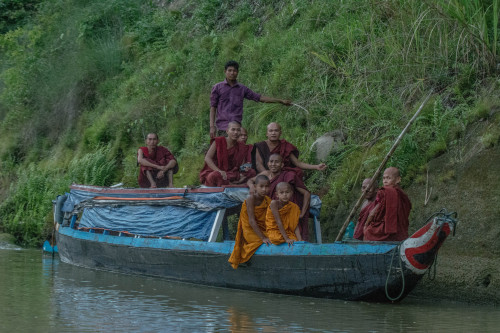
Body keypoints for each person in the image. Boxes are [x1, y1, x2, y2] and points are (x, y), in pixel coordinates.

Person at [210, 60, 292, 139]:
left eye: (234, 71)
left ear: (237, 72)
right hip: (222, 127)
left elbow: (259, 97)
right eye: (229, 70)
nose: (232, 73)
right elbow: (213, 107)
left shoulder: (242, 89)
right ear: (225, 71)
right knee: (222, 151)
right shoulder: (217, 87)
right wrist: (212, 126)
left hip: (237, 129)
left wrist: (281, 101)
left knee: (237, 152)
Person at [248, 154, 311, 241]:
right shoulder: (265, 174)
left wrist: (302, 213)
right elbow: (250, 180)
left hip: (282, 210)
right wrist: (251, 186)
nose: (273, 164)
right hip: (267, 212)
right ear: (268, 163)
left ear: (282, 165)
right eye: (271, 161)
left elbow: (306, 193)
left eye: (277, 162)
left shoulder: (288, 175)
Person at [228, 175, 272, 269]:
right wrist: (263, 238)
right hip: (249, 229)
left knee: (275, 237)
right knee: (260, 241)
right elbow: (251, 221)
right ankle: (243, 257)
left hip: (261, 228)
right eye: (261, 186)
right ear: (255, 187)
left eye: (267, 187)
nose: (264, 189)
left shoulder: (268, 200)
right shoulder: (250, 199)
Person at [253, 122, 327, 177]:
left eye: (276, 131)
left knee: (295, 174)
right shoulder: (260, 146)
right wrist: (269, 176)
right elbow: (258, 164)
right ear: (267, 133)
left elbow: (297, 163)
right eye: (271, 131)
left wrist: (316, 167)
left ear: (280, 133)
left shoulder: (285, 145)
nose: (273, 133)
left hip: (281, 174)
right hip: (266, 174)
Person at [200, 121, 256, 186]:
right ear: (227, 131)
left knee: (251, 172)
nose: (235, 132)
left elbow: (240, 166)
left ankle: (231, 183)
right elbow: (207, 158)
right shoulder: (219, 141)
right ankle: (233, 184)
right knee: (215, 175)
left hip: (230, 173)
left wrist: (245, 168)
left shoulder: (241, 146)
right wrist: (219, 171)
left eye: (238, 130)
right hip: (216, 171)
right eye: (233, 129)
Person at [363, 167, 412, 241]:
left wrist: (366, 224)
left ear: (398, 179)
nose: (385, 181)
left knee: (368, 231)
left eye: (388, 178)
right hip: (401, 231)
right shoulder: (403, 194)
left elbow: (373, 212)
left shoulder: (385, 192)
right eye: (384, 178)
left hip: (386, 231)